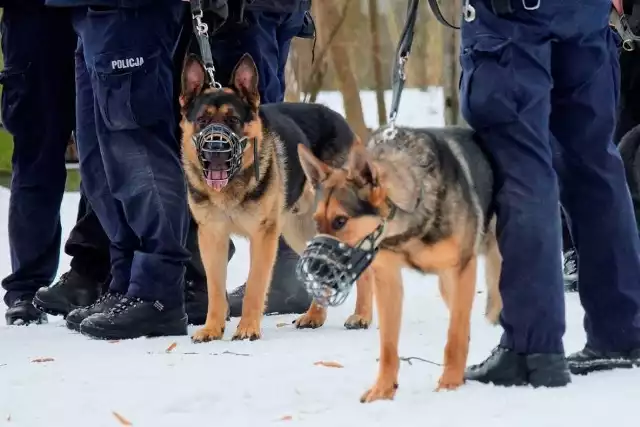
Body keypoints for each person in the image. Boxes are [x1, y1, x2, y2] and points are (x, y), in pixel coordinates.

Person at [459, 0, 640, 386]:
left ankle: (531, 346)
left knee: (522, 165)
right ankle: (622, 331)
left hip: (511, 18)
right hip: (584, 15)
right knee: (594, 162)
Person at [45, 0, 190, 340]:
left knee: (138, 150)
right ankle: (126, 282)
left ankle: (159, 291)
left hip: (129, 10)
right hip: (86, 12)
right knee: (99, 161)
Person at [196, 0, 315, 317]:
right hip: (276, 8)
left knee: (253, 127)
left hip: (244, 11)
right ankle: (287, 274)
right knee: (267, 118)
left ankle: (282, 277)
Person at [0, 0, 77, 325]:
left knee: (106, 159)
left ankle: (93, 274)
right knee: (36, 157)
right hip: (32, 16)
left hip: (100, 14)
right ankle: (28, 287)